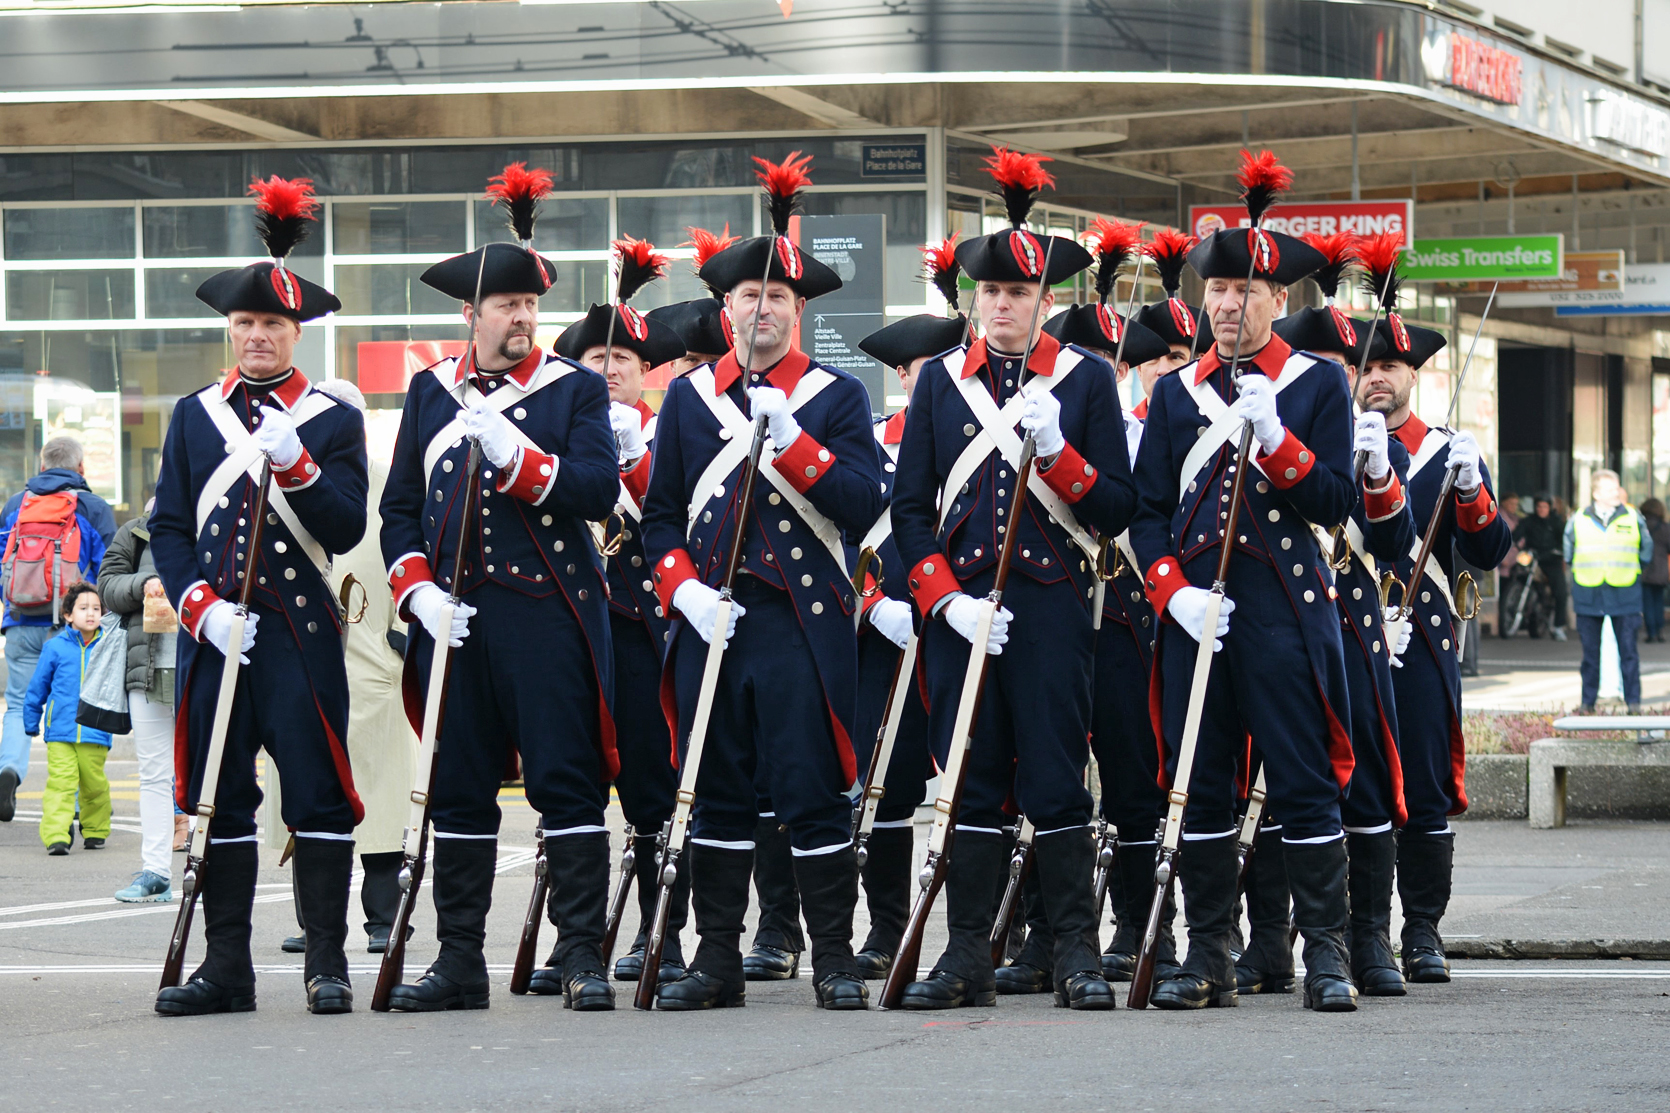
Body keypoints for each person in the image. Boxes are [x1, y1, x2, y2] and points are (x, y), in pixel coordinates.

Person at [891, 148, 1136, 1012]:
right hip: (966, 617)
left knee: (1058, 779)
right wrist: (944, 600)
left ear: (1045, 301)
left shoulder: (1085, 383)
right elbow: (908, 514)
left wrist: (1062, 453)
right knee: (970, 776)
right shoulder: (938, 390)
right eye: (990, 293)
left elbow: (1116, 507)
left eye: (1020, 294)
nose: (1003, 306)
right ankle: (965, 949)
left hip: (1052, 608)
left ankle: (1075, 950)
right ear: (972, 299)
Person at [640, 153, 883, 1011]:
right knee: (716, 789)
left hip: (796, 622)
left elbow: (863, 500)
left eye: (778, 297)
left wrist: (797, 447)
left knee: (812, 791)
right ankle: (717, 959)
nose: (763, 310)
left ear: (800, 310)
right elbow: (660, 515)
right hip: (714, 620)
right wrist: (683, 590)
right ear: (725, 309)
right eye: (750, 297)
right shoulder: (686, 401)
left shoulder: (835, 397)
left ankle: (835, 957)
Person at [379, 164, 620, 1013]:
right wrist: (415, 594)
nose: (522, 318)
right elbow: (398, 509)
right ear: (471, 315)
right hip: (454, 619)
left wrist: (523, 461)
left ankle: (583, 951)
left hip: (546, 612)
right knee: (457, 786)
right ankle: (459, 960)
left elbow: (597, 490)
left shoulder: (573, 388)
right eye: (506, 305)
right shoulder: (427, 390)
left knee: (567, 780)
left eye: (530, 304)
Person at [1131, 150, 1363, 1013]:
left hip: (1281, 608)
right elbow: (1146, 511)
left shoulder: (1315, 387)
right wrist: (1172, 591)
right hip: (1201, 610)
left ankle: (1327, 951)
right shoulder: (1176, 394)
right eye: (1217, 291)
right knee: (1201, 782)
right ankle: (1209, 954)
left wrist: (1278, 442)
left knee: (1302, 778)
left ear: (1279, 299)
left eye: (1246, 292)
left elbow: (1338, 501)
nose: (1228, 306)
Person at [150, 177, 369, 1017]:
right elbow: (169, 526)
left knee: (316, 794)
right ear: (230, 330)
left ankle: (326, 961)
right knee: (220, 796)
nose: (256, 336)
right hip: (218, 634)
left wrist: (301, 465)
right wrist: (198, 604)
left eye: (272, 324)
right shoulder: (194, 415)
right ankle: (226, 967)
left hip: (300, 633)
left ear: (295, 331)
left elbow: (346, 528)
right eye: (244, 323)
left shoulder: (331, 417)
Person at [1014, 239, 1176, 995]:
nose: (1099, 374)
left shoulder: (1151, 432)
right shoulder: (1030, 410)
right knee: (1047, 780)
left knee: (1131, 778)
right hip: (1054, 612)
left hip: (1123, 621)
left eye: (1111, 361)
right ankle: (1047, 931)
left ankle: (1146, 927)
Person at [1357, 270, 1512, 987]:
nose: (1376, 378)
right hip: (1354, 630)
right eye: (1366, 365)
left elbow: (1487, 550)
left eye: (1389, 365)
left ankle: (1421, 928)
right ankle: (1364, 932)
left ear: (1413, 372)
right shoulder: (1336, 446)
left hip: (1422, 637)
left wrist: (1474, 491)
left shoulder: (1445, 450)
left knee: (1420, 784)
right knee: (1353, 784)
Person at [1270, 232, 1415, 998]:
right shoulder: (1280, 411)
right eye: (1322, 365)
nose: (1338, 379)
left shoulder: (1365, 433)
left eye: (1346, 367)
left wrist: (1380, 470)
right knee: (1270, 788)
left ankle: (1369, 938)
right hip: (1279, 620)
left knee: (1361, 786)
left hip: (1350, 622)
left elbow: (1394, 542)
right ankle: (1268, 941)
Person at [544, 239, 691, 991]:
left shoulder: (667, 435)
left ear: (645, 374)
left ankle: (659, 928)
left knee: (650, 787)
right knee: (568, 783)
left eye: (621, 362)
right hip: (571, 629)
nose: (606, 372)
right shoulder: (557, 431)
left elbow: (677, 526)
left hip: (639, 628)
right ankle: (574, 938)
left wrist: (632, 465)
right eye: (594, 360)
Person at [263, 378, 420, 954]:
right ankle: (314, 922)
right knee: (305, 792)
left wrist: (402, 636)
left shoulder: (387, 483)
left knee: (381, 795)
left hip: (372, 658)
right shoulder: (276, 476)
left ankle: (382, 918)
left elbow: (413, 551)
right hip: (303, 657)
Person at [846, 304, 968, 980]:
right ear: (902, 376)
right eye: (931, 372)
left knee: (979, 783)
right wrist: (875, 605)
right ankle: (888, 929)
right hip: (885, 640)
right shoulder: (868, 441)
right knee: (886, 792)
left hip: (954, 632)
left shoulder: (982, 441)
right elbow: (841, 542)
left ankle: (989, 929)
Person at [0, 435, 114, 823]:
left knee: (18, 703)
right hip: (72, 630)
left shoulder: (17, 505)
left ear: (42, 464)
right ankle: (81, 807)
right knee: (77, 709)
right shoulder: (93, 507)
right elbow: (109, 571)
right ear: (81, 468)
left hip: (19, 621)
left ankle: (10, 770)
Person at [99, 500, 180, 902]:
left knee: (211, 776)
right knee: (152, 773)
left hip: (201, 668)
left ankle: (215, 867)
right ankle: (156, 871)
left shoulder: (218, 524)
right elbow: (107, 585)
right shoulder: (135, 530)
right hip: (145, 667)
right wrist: (141, 584)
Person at [27, 582, 112, 855]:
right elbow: (38, 686)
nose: (91, 613)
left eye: (96, 608)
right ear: (67, 615)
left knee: (94, 784)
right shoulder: (54, 647)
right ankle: (56, 836)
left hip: (96, 730)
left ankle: (96, 831)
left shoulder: (109, 644)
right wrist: (31, 720)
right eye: (83, 608)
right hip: (60, 731)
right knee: (61, 783)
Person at [1564, 470, 1652, 712]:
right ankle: (1587, 703)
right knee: (1590, 656)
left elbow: (1646, 550)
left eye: (1617, 488)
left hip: (1624, 593)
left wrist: (1633, 573)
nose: (1617, 492)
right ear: (1596, 493)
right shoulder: (1578, 519)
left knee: (1629, 653)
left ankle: (1633, 703)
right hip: (1589, 593)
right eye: (1611, 489)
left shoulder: (1633, 517)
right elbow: (1569, 552)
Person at [1514, 493, 1568, 640]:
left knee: (1560, 592)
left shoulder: (1556, 522)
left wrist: (1559, 551)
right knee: (1518, 575)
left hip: (1551, 559)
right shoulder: (1529, 521)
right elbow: (1516, 534)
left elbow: (1563, 540)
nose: (1541, 509)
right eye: (1539, 506)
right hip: (1533, 558)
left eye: (1544, 506)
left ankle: (1558, 626)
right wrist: (1514, 542)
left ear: (1549, 508)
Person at [1641, 498, 1670, 643]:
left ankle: (1651, 632)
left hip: (1645, 570)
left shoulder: (1641, 525)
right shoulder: (1665, 527)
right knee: (1658, 602)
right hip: (1660, 570)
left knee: (1647, 603)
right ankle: (1660, 632)